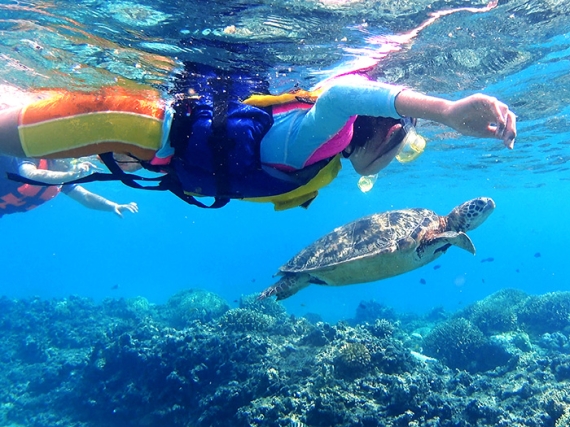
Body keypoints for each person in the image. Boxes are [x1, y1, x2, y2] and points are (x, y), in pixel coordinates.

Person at [0, 62, 516, 211]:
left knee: (14, 129)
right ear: (384, 133)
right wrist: (445, 110)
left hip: (147, 144)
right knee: (8, 132)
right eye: (408, 147)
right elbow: (340, 93)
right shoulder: (326, 138)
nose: (399, 159)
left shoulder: (325, 162)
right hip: (134, 122)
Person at [0, 155, 138, 218]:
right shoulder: (30, 155)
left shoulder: (61, 178)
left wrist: (112, 206)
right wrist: (70, 175)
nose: (70, 161)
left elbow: (85, 197)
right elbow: (29, 174)